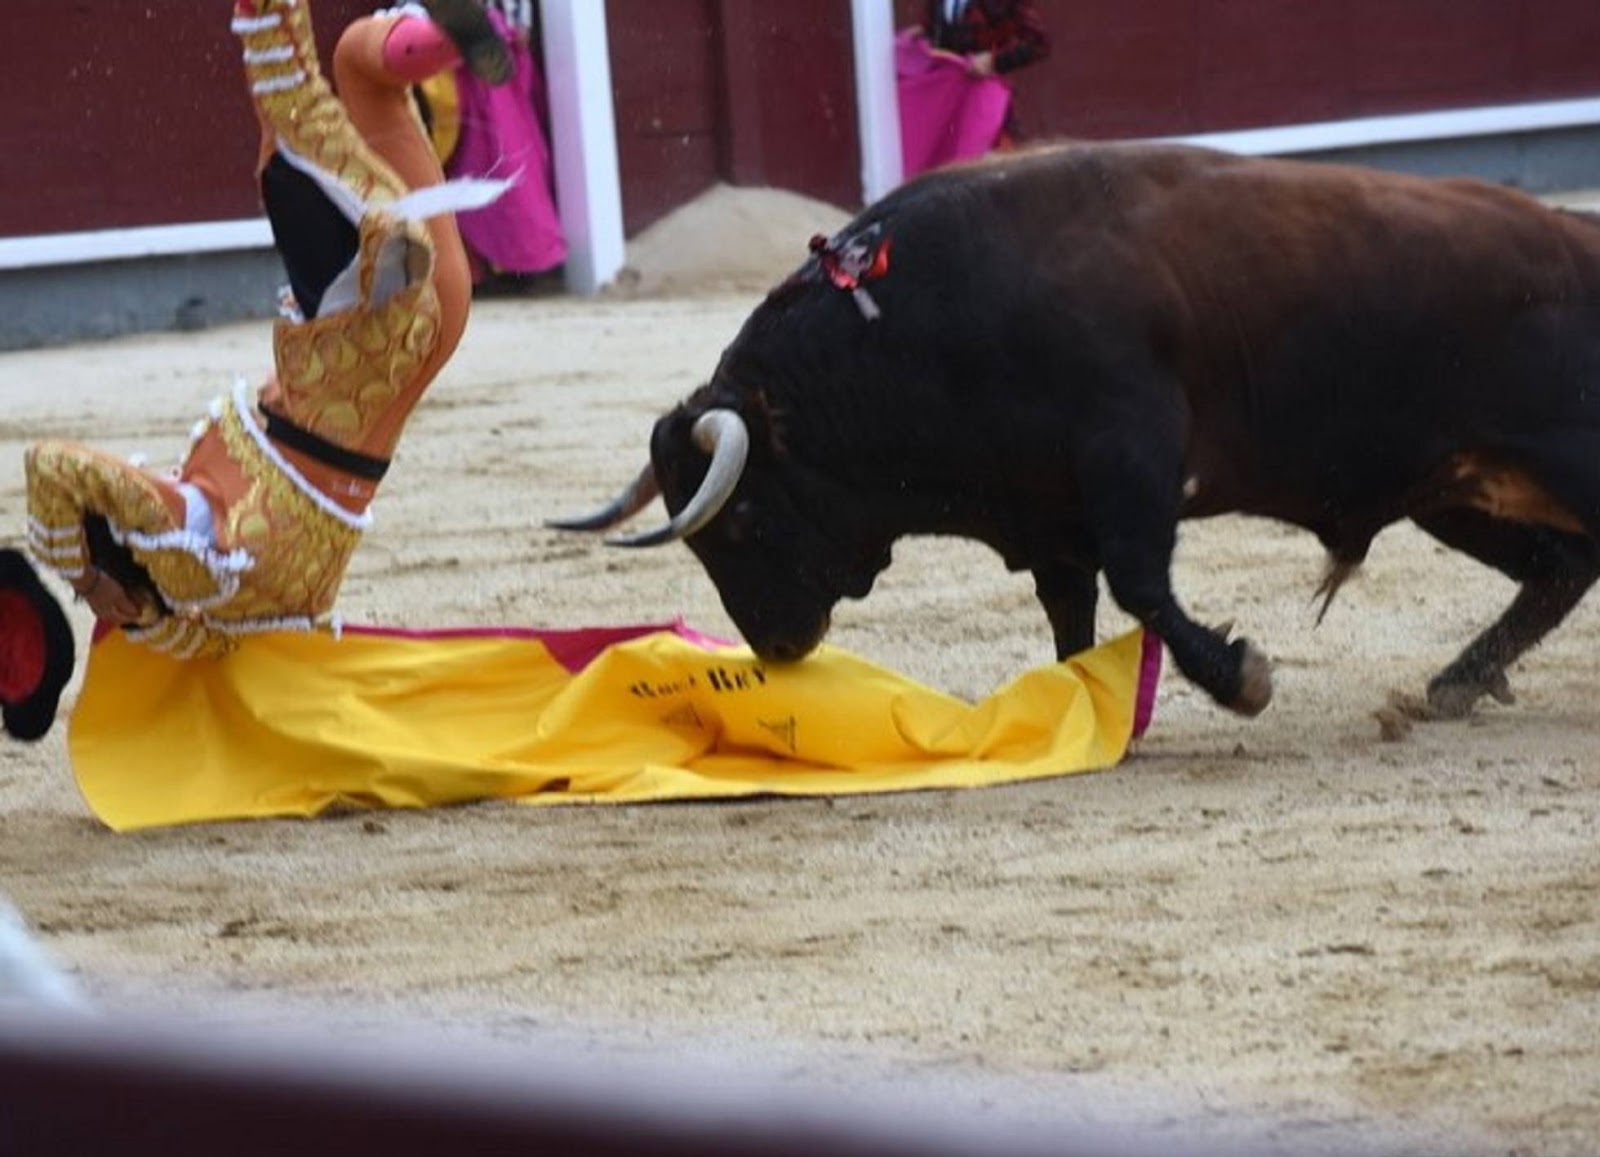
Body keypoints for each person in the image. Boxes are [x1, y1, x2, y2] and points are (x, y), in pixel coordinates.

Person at [21, 0, 513, 672]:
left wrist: (140, 617)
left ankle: (435, 41)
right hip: (356, 350)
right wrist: (82, 574)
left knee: (358, 68)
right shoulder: (188, 530)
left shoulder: (236, 604)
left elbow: (211, 652)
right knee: (288, 105)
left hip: (420, 343)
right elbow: (51, 465)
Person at [896, 0, 1051, 178]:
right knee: (947, 173)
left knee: (989, 175)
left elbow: (1038, 44)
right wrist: (921, 34)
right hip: (949, 107)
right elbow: (939, 31)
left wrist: (994, 61)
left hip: (984, 105)